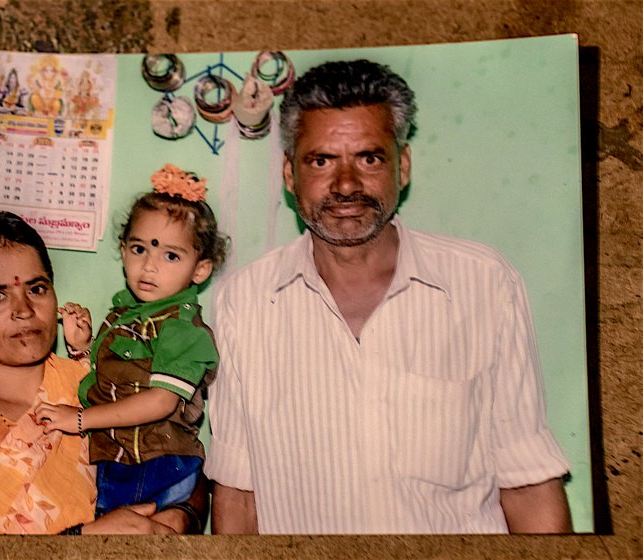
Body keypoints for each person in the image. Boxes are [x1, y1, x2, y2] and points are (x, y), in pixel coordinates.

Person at [204, 60, 573, 534]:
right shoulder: (245, 302)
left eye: (369, 158)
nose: (346, 185)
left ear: (403, 166)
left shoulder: (484, 283)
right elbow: (239, 497)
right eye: (321, 160)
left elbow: (528, 485)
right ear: (289, 175)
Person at [0, 211, 205, 535]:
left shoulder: (93, 384)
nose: (24, 310)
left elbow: (180, 463)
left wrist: (182, 516)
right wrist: (84, 542)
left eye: (36, 289)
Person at [34, 164, 228, 519]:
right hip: (122, 459)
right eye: (140, 249)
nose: (149, 266)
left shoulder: (182, 328)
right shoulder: (123, 314)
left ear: (200, 270)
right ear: (123, 250)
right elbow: (119, 380)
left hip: (155, 464)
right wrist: (83, 348)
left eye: (170, 255)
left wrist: (80, 420)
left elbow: (160, 402)